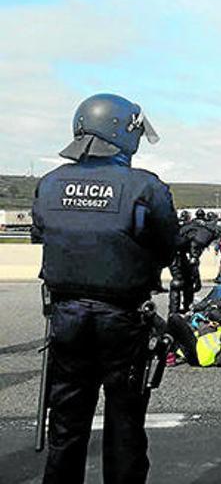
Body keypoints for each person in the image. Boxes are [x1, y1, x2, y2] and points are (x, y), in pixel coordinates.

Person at [30, 93, 177, 483]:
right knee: (125, 425)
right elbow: (166, 246)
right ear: (122, 133)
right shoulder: (144, 187)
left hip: (66, 317)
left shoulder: (50, 184)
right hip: (122, 319)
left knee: (66, 424)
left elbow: (41, 233)